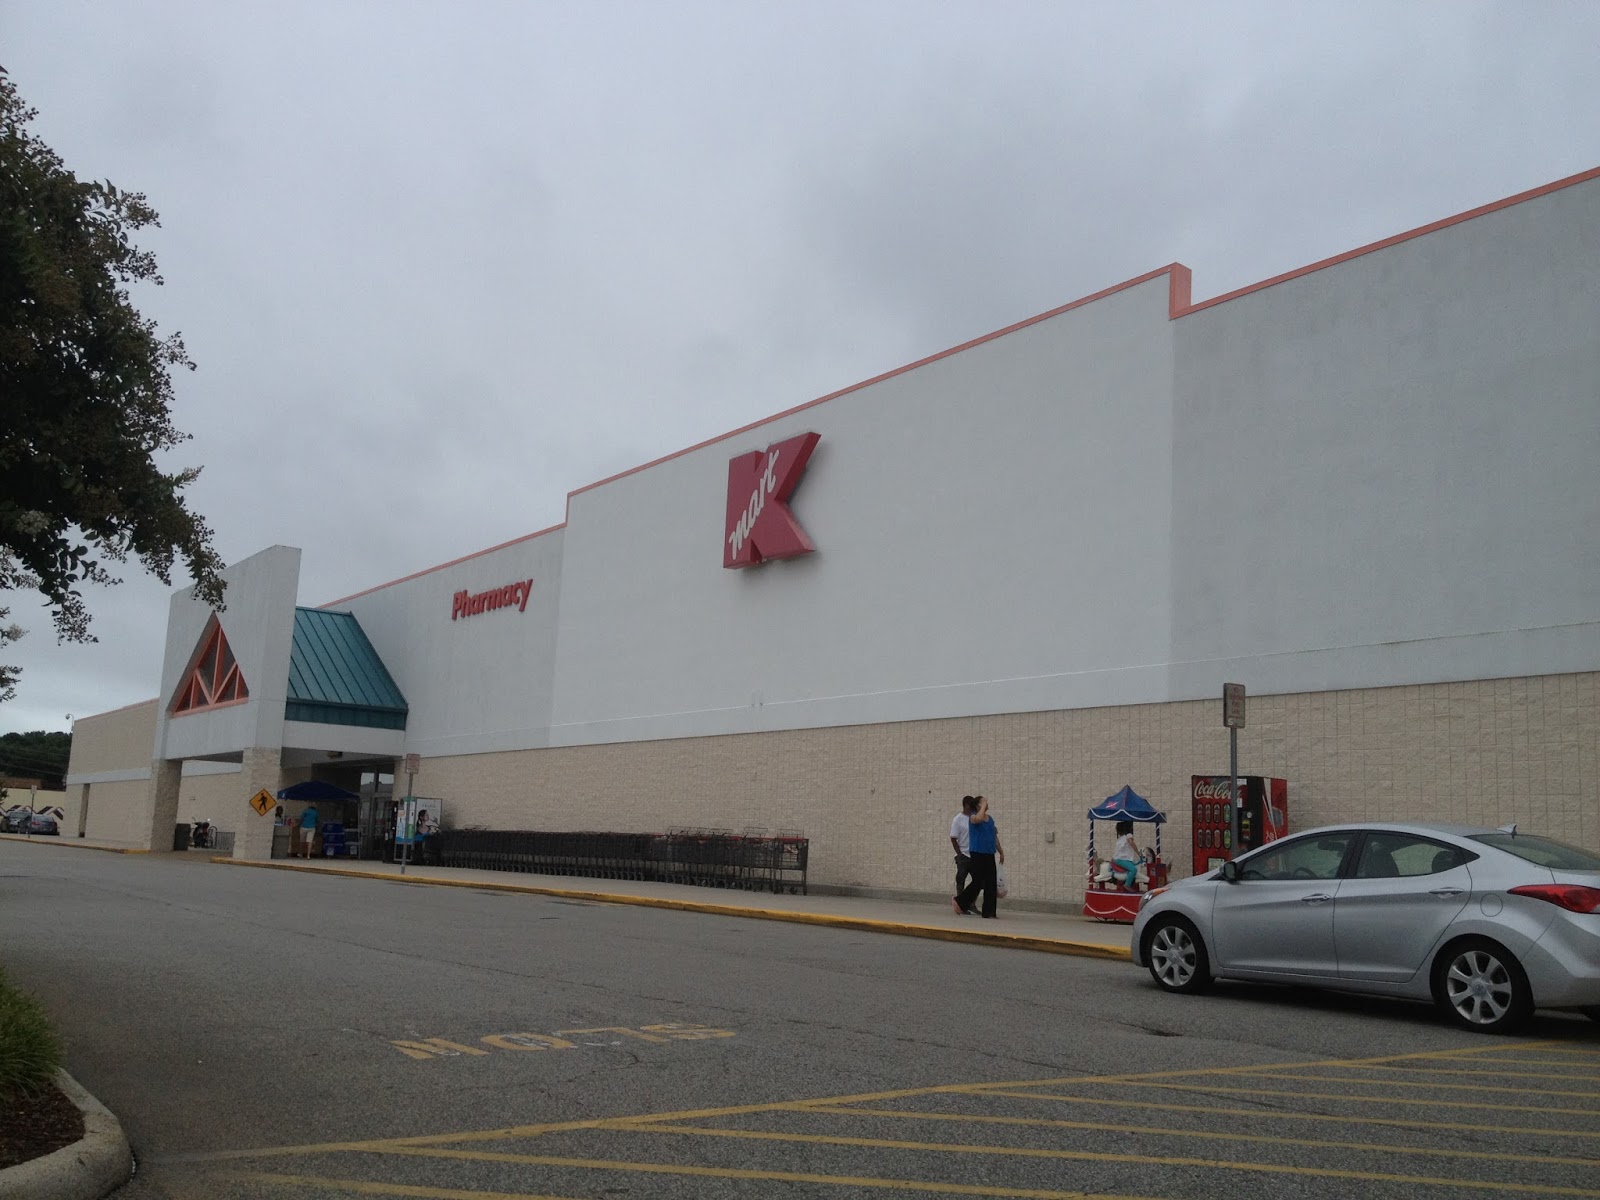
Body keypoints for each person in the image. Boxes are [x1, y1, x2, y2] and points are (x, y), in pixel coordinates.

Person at [954, 794, 1005, 918]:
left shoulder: (990, 819)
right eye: (983, 802)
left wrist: (1000, 851)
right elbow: (978, 819)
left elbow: (994, 836)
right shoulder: (973, 817)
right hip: (977, 853)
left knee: (991, 883)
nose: (986, 803)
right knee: (978, 881)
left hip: (989, 853)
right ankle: (960, 902)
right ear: (978, 806)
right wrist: (982, 807)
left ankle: (989, 912)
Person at [949, 795, 976, 909]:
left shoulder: (974, 818)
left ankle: (971, 904)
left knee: (977, 881)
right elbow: (953, 838)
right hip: (963, 854)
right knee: (961, 880)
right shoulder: (958, 819)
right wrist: (959, 854)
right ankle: (960, 904)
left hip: (974, 854)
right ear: (965, 805)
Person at [1112, 819, 1141, 889]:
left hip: (1119, 858)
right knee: (1133, 869)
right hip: (1121, 858)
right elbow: (1131, 843)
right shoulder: (1128, 835)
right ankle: (1127, 885)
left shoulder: (1120, 838)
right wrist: (1138, 852)